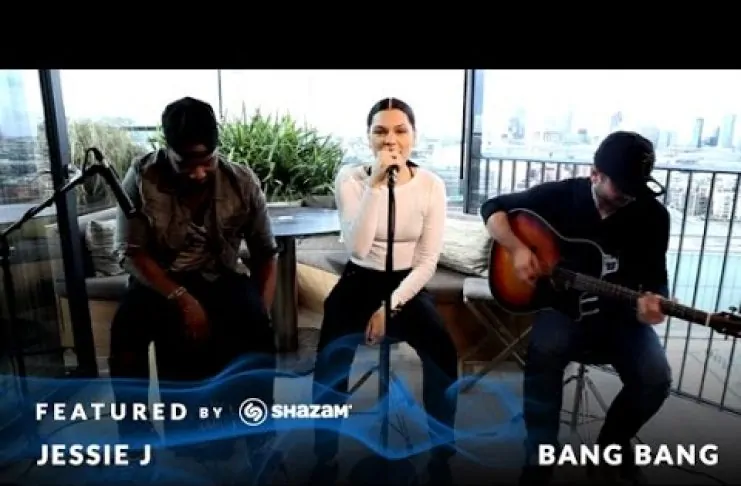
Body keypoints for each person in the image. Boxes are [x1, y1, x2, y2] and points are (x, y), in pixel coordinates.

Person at [480, 131, 673, 485]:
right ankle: (539, 456)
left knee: (655, 378)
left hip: (622, 318)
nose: (629, 195)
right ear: (595, 174)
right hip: (563, 309)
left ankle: (610, 450)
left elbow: (657, 279)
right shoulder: (560, 195)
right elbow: (492, 209)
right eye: (621, 186)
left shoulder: (653, 215)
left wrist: (653, 303)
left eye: (636, 187)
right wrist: (518, 249)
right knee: (544, 353)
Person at [110, 97, 279, 470]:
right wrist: (183, 299)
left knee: (259, 332)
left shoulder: (242, 181)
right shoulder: (141, 176)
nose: (199, 172)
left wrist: (260, 312)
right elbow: (132, 253)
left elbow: (266, 253)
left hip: (221, 275)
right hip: (160, 279)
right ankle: (136, 436)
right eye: (186, 162)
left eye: (207, 161)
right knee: (125, 332)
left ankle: (259, 432)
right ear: (167, 148)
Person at [310, 98, 459, 482]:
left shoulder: (431, 185)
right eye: (380, 131)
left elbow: (427, 261)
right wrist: (375, 186)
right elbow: (358, 249)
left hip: (406, 284)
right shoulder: (350, 179)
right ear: (368, 138)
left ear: (414, 137)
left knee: (443, 352)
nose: (390, 139)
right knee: (330, 362)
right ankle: (324, 454)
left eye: (400, 130)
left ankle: (442, 453)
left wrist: (388, 307)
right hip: (360, 279)